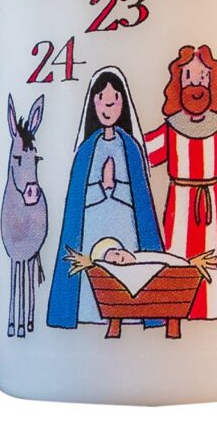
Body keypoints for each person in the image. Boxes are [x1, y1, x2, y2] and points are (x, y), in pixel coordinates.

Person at [46, 67, 154, 331]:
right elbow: (78, 198)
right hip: (93, 223)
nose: (108, 106)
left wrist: (115, 187)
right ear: (93, 103)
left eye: (114, 100)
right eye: (102, 100)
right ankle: (89, 312)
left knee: (125, 266)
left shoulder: (130, 148)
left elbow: (140, 197)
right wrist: (102, 187)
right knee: (94, 270)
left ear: (122, 104)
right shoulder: (86, 150)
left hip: (125, 223)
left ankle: (131, 313)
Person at [142, 45, 217, 323]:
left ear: (212, 82)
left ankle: (216, 309)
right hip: (181, 202)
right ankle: (176, 312)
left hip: (212, 203)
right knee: (177, 257)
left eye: (202, 77)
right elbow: (146, 153)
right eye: (189, 77)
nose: (196, 84)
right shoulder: (173, 126)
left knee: (214, 257)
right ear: (178, 82)